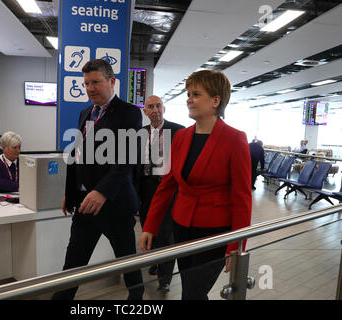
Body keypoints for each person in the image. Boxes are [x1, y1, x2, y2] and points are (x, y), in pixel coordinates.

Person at [140, 70, 252, 300]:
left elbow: (242, 197)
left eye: (196, 94)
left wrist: (236, 245)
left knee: (193, 292)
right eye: (188, 93)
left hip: (215, 232)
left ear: (216, 100)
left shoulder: (235, 138)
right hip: (182, 227)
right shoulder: (181, 136)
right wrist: (150, 225)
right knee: (193, 291)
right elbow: (167, 185)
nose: (189, 98)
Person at [52, 59, 144, 300]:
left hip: (115, 206)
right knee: (72, 264)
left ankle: (136, 300)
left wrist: (102, 191)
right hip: (84, 204)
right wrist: (71, 191)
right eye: (86, 84)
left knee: (128, 265)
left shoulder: (129, 113)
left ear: (111, 81)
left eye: (96, 82)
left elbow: (126, 159)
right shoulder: (85, 112)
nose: (90, 88)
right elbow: (78, 155)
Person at [136, 95, 184, 292]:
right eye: (150, 107)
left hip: (168, 188)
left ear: (164, 109)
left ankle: (165, 278)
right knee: (148, 227)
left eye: (158, 106)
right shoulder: (138, 133)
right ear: (145, 111)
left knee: (166, 233)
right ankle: (156, 262)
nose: (155, 110)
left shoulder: (179, 131)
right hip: (145, 188)